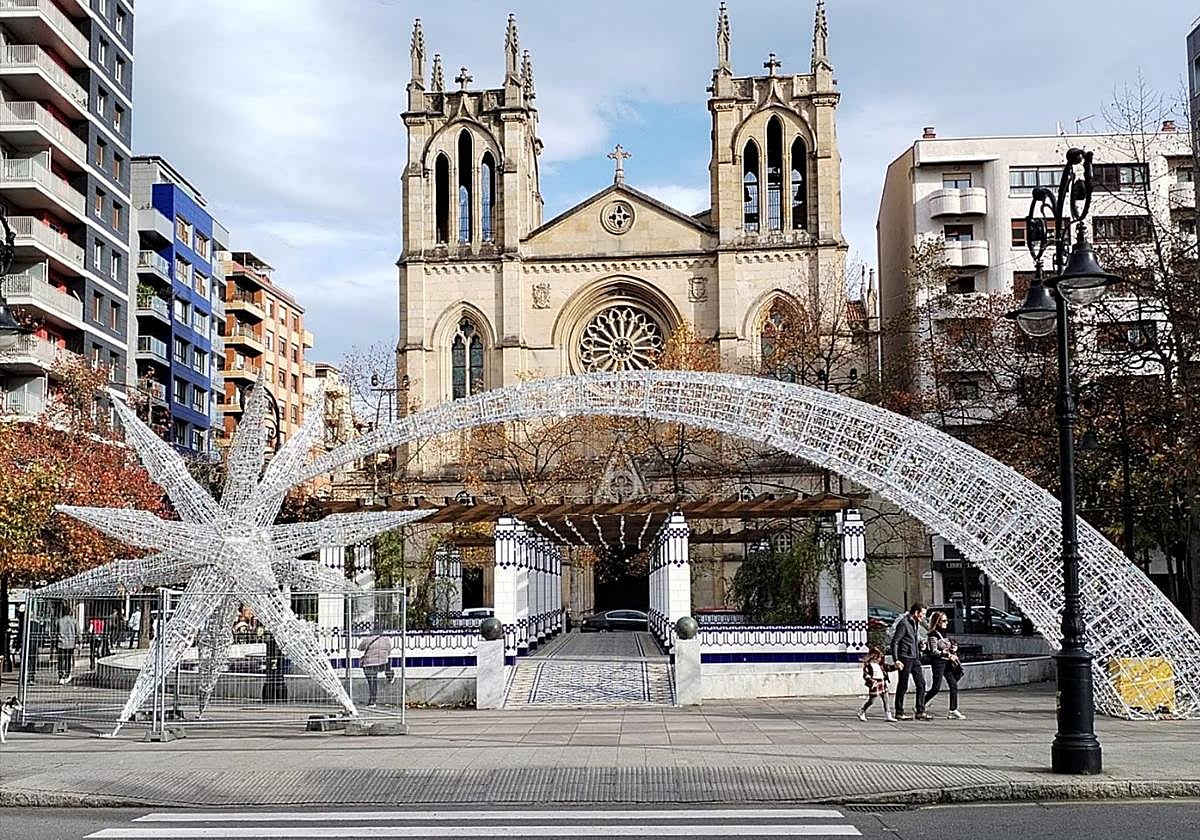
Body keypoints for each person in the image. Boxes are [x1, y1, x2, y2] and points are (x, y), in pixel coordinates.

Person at [889, 602, 930, 721]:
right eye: (922, 614)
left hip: (915, 657)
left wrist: (921, 645)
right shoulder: (904, 623)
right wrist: (896, 660)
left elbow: (913, 639)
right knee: (903, 685)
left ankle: (920, 711)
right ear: (916, 612)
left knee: (921, 684)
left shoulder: (915, 623)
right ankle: (899, 712)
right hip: (905, 657)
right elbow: (895, 642)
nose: (924, 617)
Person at [924, 610, 965, 719]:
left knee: (953, 685)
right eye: (944, 621)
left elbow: (946, 646)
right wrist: (948, 655)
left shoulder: (943, 633)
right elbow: (934, 651)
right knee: (936, 687)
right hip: (938, 663)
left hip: (947, 663)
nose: (947, 622)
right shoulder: (933, 635)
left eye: (946, 620)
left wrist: (953, 648)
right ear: (937, 622)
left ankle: (953, 709)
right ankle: (921, 704)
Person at [857, 646, 900, 722]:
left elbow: (888, 668)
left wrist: (895, 667)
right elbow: (866, 675)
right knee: (871, 701)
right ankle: (862, 711)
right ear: (873, 657)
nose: (880, 659)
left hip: (882, 682)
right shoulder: (868, 665)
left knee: (886, 699)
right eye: (878, 657)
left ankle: (888, 715)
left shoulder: (881, 665)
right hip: (875, 684)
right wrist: (871, 681)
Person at [357, 630, 393, 708]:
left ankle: (372, 702)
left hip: (369, 664)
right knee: (387, 665)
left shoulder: (368, 639)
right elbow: (389, 650)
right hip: (382, 662)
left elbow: (360, 648)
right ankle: (390, 675)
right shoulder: (386, 640)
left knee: (372, 683)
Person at [55, 607, 79, 685]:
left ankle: (61, 676)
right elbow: (78, 632)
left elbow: (55, 632)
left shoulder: (59, 621)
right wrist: (78, 642)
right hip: (70, 643)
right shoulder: (74, 621)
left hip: (61, 643)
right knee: (68, 660)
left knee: (60, 660)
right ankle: (67, 675)